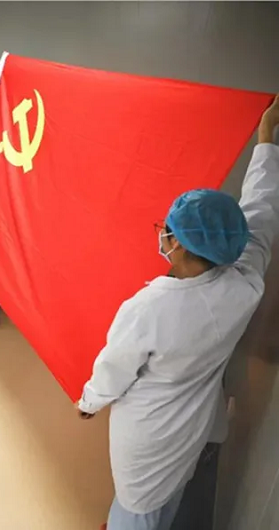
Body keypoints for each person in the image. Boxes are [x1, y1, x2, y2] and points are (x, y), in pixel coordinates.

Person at [77, 95, 279, 530]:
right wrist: (267, 136)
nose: (164, 235)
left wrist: (90, 401)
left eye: (167, 230)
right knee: (169, 499)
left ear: (179, 245)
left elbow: (113, 371)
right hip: (194, 427)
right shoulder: (245, 283)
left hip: (151, 435)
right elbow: (262, 206)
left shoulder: (149, 309)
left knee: (139, 507)